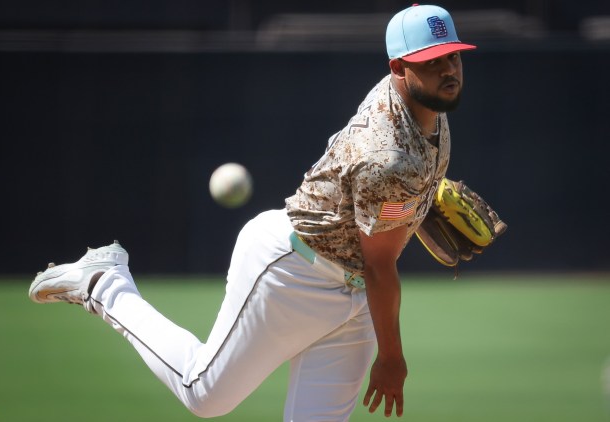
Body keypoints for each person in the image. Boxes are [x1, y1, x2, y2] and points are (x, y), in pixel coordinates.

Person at [29, 4, 476, 420]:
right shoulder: (387, 155)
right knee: (205, 394)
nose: (447, 71)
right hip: (293, 272)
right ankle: (105, 284)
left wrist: (418, 205)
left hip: (354, 293)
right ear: (397, 68)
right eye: (431, 61)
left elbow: (384, 226)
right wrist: (392, 358)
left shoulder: (428, 105)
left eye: (452, 57)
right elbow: (381, 265)